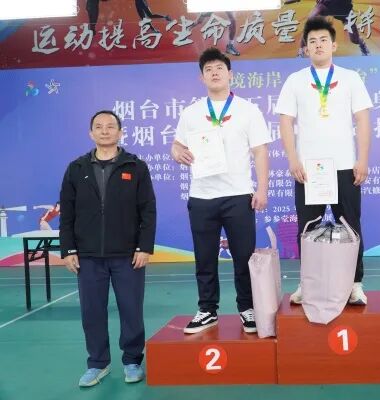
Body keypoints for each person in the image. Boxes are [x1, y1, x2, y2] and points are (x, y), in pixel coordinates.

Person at [171, 47, 271, 334]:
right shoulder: (191, 112)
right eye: (208, 70)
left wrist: (262, 189)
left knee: (244, 257)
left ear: (230, 75)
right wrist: (177, 152)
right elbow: (177, 145)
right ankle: (207, 309)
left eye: (219, 68)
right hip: (202, 196)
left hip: (238, 196)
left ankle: (247, 308)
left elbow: (260, 151)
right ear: (201, 78)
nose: (214, 73)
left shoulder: (248, 110)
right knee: (204, 257)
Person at [275, 16, 373, 305]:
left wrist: (362, 159)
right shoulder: (295, 80)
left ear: (334, 45)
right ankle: (308, 283)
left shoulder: (351, 78)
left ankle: (355, 283)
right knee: (308, 228)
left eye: (323, 40)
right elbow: (285, 121)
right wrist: (293, 159)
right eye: (312, 41)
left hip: (344, 166)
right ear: (306, 48)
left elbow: (363, 120)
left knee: (351, 225)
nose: (318, 45)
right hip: (308, 169)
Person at [59, 110, 156, 387]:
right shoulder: (76, 168)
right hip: (88, 256)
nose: (105, 131)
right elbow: (67, 213)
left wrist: (144, 247)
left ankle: (132, 361)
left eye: (110, 126)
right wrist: (68, 249)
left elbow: (148, 210)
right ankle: (97, 363)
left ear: (120, 132)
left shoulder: (135, 167)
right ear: (91, 133)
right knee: (92, 312)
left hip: (127, 255)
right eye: (99, 127)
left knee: (131, 310)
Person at [297, 0, 370, 57]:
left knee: (354, 40)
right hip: (326, 5)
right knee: (310, 21)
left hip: (344, 9)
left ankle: (361, 44)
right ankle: (301, 51)